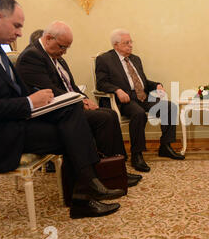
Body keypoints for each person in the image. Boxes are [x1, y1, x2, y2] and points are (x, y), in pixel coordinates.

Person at [0, 0, 123, 219]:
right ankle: (87, 190)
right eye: (17, 26)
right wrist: (29, 102)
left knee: (72, 114)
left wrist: (38, 101)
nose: (19, 33)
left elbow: (15, 93)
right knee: (72, 131)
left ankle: (88, 189)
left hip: (16, 122)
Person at [15, 21, 142, 188]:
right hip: (52, 113)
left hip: (68, 105)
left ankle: (116, 170)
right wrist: (79, 101)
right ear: (47, 39)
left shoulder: (56, 56)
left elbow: (71, 86)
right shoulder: (32, 57)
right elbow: (50, 90)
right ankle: (107, 173)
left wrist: (85, 98)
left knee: (109, 114)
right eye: (62, 47)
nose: (64, 52)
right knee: (104, 118)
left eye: (67, 48)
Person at [95, 29, 184, 172]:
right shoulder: (105, 59)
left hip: (142, 96)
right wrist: (117, 90)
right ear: (116, 45)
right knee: (139, 113)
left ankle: (165, 146)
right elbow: (101, 83)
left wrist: (156, 85)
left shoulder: (135, 59)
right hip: (123, 100)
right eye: (126, 43)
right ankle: (137, 154)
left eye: (131, 42)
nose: (130, 45)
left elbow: (142, 81)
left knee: (169, 107)